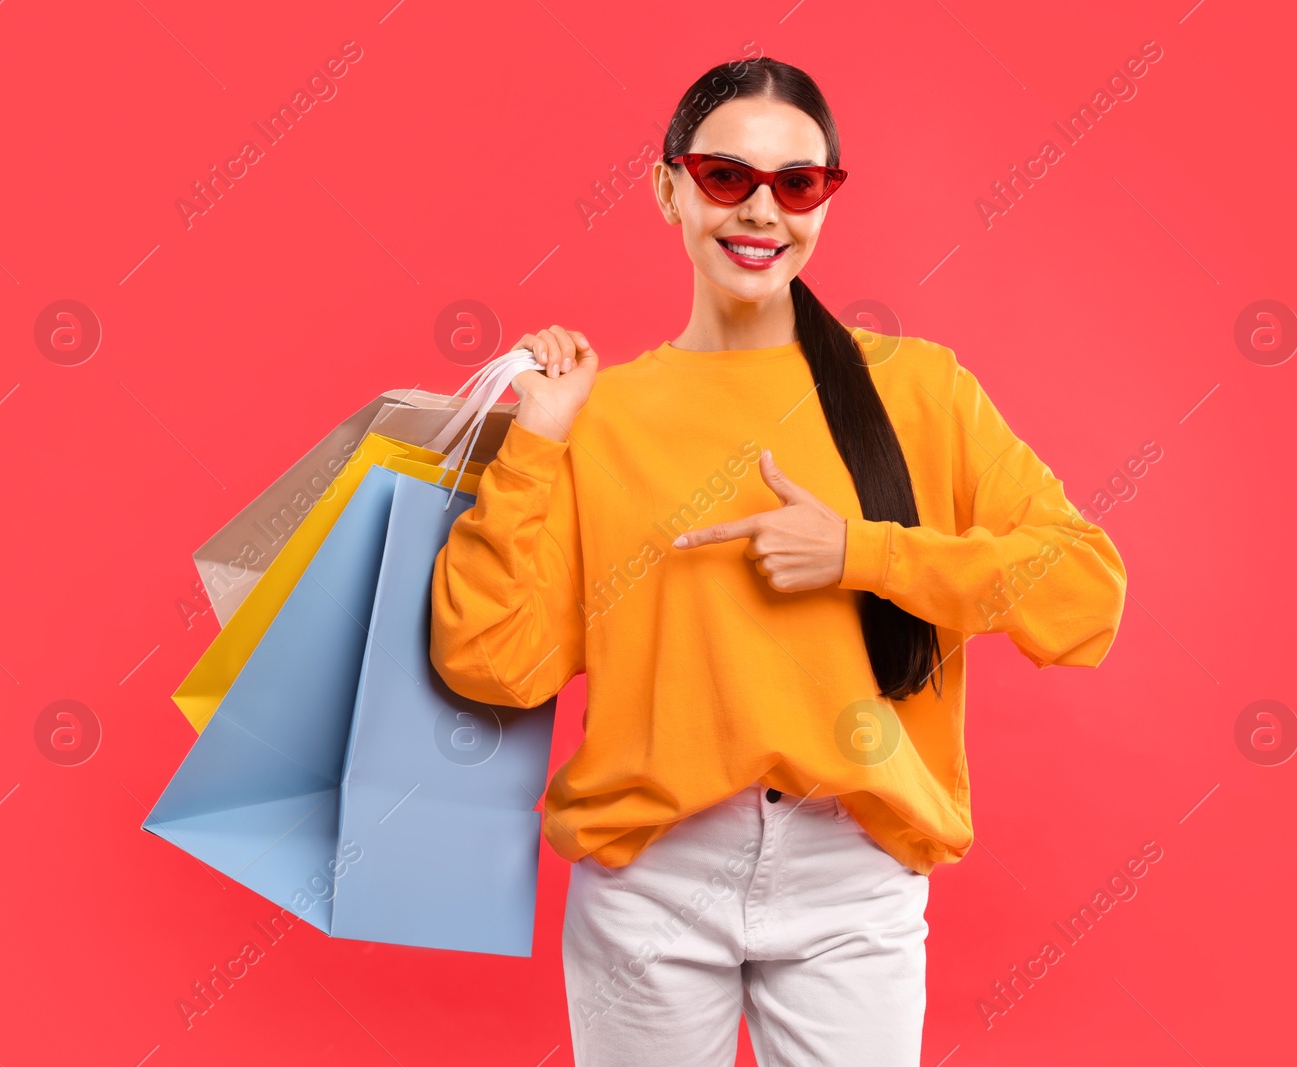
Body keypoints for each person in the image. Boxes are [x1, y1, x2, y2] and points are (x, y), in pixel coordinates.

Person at [430, 56, 1128, 1067]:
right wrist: (534, 443)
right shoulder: (600, 418)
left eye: (797, 183)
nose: (761, 210)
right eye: (725, 177)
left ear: (825, 200)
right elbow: (489, 662)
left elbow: (1084, 597)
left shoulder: (920, 391)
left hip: (852, 874)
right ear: (666, 184)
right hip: (649, 882)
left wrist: (865, 552)